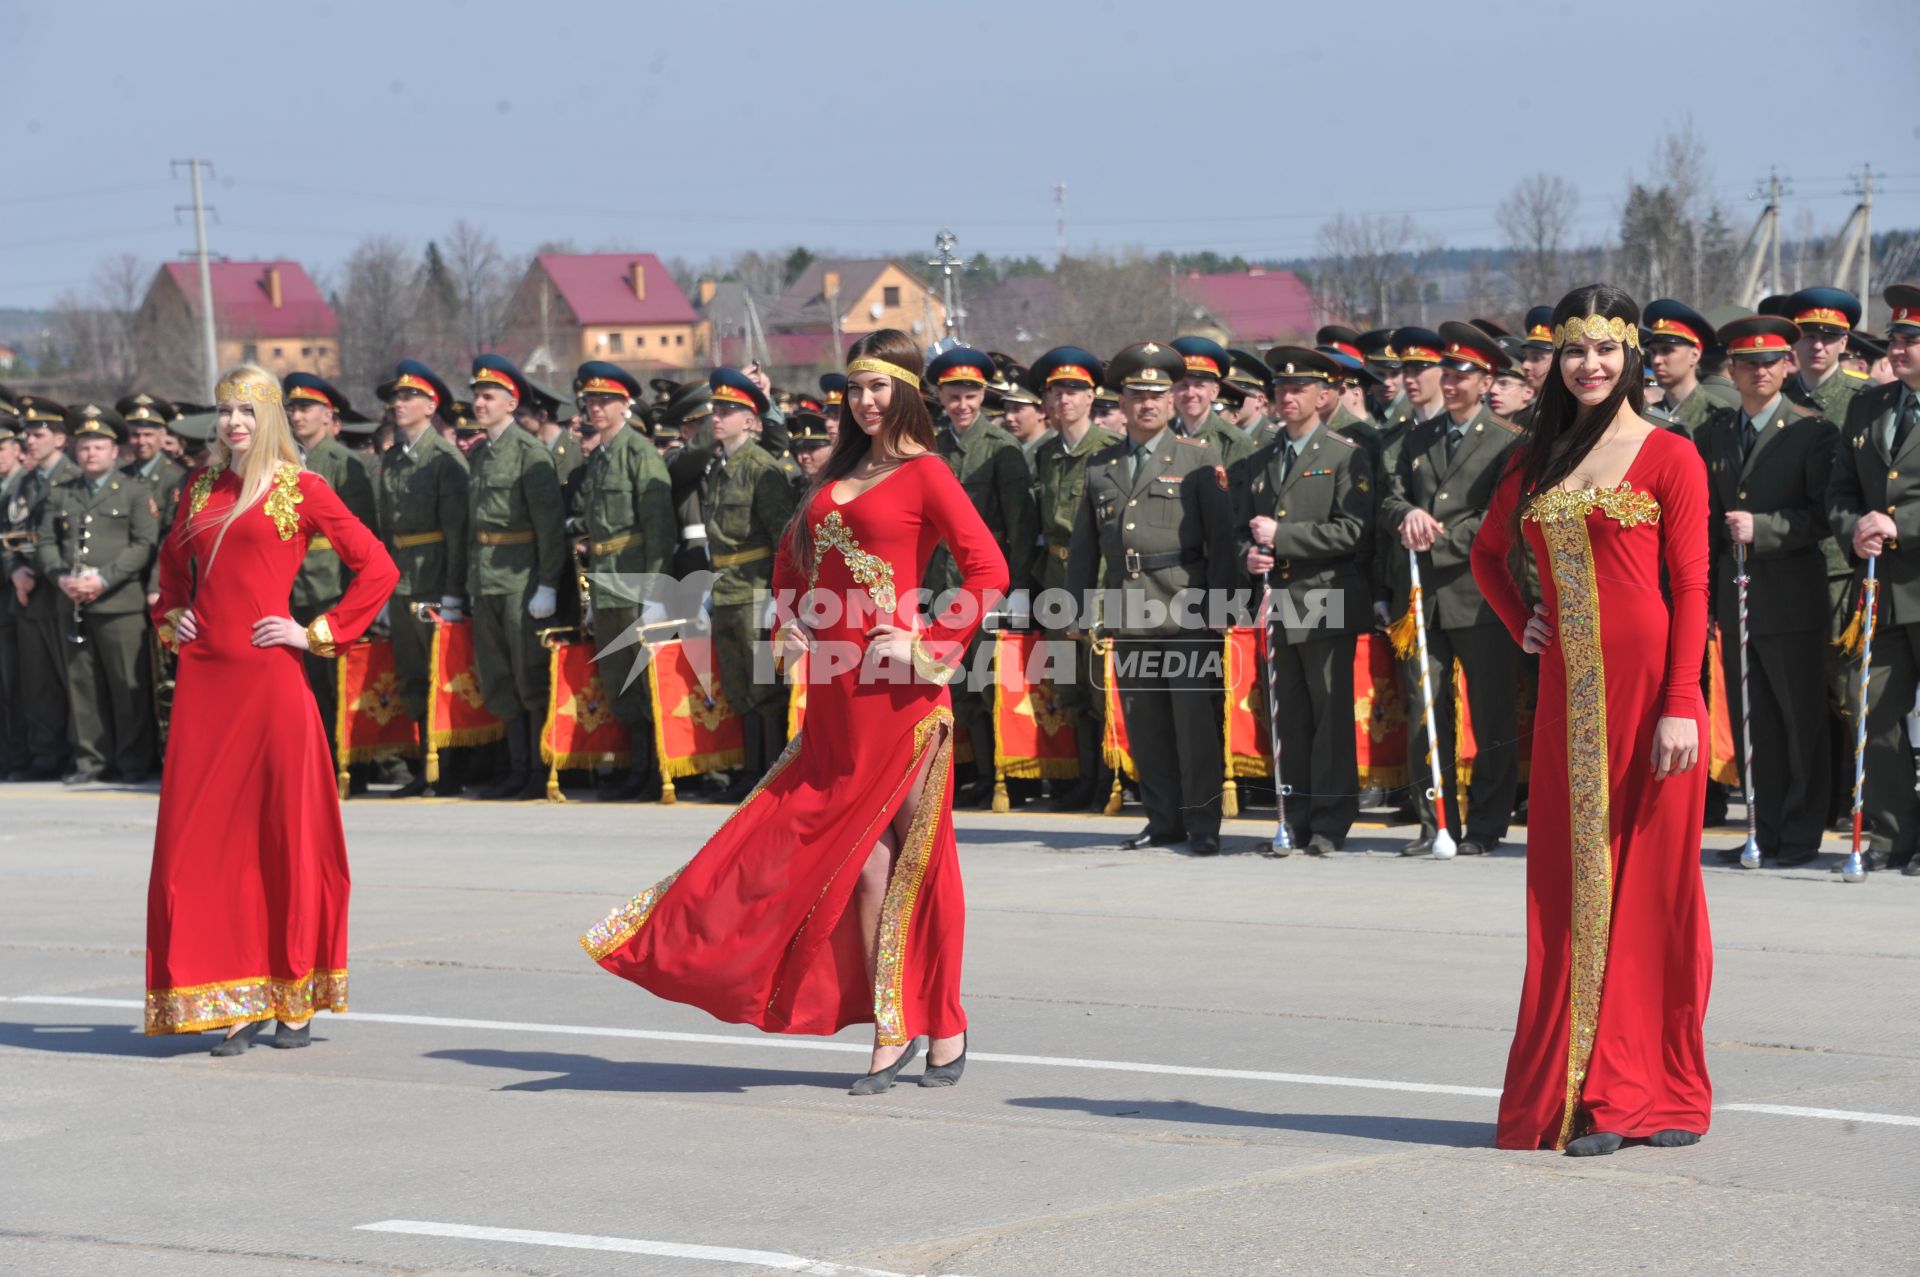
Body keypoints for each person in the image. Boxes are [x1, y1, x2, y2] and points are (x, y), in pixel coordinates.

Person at [582, 330, 1007, 1093]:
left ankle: (936, 1018)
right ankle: (899, 1018)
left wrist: (929, 642)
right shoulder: (836, 474)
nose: (866, 401)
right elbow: (791, 560)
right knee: (858, 860)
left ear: (908, 392)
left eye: (880, 387)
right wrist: (792, 616)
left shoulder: (927, 473)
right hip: (838, 698)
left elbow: (989, 569)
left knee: (921, 862)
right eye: (857, 388)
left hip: (904, 698)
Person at [1470, 284, 1712, 1155]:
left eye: (1606, 349)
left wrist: (1683, 703)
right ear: (1554, 360)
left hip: (1655, 696)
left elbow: (1691, 587)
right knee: (1573, 888)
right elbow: (1486, 553)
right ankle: (1578, 1090)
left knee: (1654, 887)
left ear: (1631, 357)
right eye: (1574, 350)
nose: (1590, 365)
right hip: (1570, 702)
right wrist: (1520, 619)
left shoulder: (1670, 455)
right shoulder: (1528, 464)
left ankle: (1648, 1091)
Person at [146, 364, 398, 1052]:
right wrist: (175, 617)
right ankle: (231, 993)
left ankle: (293, 992)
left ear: (271, 420)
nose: (234, 423)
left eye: (249, 411)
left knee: (285, 839)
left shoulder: (301, 487)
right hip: (205, 687)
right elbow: (171, 571)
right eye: (226, 410)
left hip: (270, 683)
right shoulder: (197, 488)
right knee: (198, 848)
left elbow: (377, 567)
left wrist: (315, 631)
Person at [1066, 341, 1237, 856]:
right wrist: (1076, 608)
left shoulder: (1198, 459)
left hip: (1185, 608)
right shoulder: (1100, 467)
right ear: (1121, 402)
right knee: (1145, 725)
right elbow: (1083, 547)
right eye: (1137, 394)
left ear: (1171, 401)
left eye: (1158, 394)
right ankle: (1163, 820)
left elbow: (1222, 542)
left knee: (1193, 726)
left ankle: (1203, 824)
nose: (1147, 404)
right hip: (1128, 607)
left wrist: (1222, 607)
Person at [1379, 323, 1526, 856]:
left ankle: (1487, 824)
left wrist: (1434, 536)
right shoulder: (1416, 438)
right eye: (1452, 371)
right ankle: (1435, 819)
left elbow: (1503, 517)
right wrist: (1408, 515)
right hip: (1421, 598)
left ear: (1485, 379)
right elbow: (1390, 498)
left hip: (1481, 594)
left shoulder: (1509, 442)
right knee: (1426, 709)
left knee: (1490, 715)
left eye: (1465, 372)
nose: (1456, 381)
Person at [1695, 316, 1836, 868]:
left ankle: (1801, 835)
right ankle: (1764, 828)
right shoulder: (1715, 434)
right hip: (1737, 597)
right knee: (1757, 722)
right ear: (1731, 370)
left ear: (1788, 366)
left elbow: (1824, 515)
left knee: (1801, 722)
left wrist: (1767, 526)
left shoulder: (1810, 431)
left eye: (1771, 362)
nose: (1760, 371)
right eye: (1748, 363)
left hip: (1792, 596)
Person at [1235, 347, 1374, 855]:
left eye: (1299, 390)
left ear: (1323, 396)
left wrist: (1284, 536)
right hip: (1280, 602)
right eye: (1281, 389)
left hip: (1327, 596)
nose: (1288, 397)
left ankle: (1330, 821)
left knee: (1329, 716)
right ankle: (1290, 816)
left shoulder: (1344, 454)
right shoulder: (1261, 458)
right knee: (1287, 717)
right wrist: (1250, 556)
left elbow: (1355, 530)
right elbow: (1241, 530)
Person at [1826, 284, 1920, 875]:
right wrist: (1855, 525)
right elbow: (1840, 489)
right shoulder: (1869, 405)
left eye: (1911, 338)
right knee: (1874, 711)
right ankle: (1893, 835)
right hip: (1880, 590)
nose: (1899, 346)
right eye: (1895, 337)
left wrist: (1902, 522)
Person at [926, 347, 1039, 807]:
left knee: (991, 686)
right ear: (940, 397)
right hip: (940, 583)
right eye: (954, 396)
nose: (963, 405)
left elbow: (1020, 525)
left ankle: (1002, 780)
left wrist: (1016, 589)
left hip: (986, 583)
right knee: (955, 688)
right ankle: (970, 775)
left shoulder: (1001, 448)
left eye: (971, 395)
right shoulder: (930, 448)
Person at [37, 404, 158, 784]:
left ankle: (133, 762)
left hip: (119, 603)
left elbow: (143, 544)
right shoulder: (62, 492)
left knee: (127, 686)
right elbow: (45, 542)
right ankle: (91, 761)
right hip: (71, 601)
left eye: (99, 446)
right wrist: (61, 579)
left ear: (115, 451)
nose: (90, 453)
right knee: (82, 686)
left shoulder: (135, 492)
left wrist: (104, 579)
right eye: (85, 446)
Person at [571, 361, 674, 802]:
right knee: (619, 680)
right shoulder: (599, 459)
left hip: (636, 582)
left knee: (645, 679)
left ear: (625, 405)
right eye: (591, 401)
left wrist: (655, 590)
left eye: (605, 401)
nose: (596, 408)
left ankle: (656, 770)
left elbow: (658, 527)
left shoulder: (639, 453)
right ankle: (636, 766)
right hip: (608, 582)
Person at [465, 355, 567, 800]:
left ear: (511, 403)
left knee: (529, 677)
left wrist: (547, 583)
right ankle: (515, 765)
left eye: (488, 397)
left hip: (521, 578)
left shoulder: (530, 453)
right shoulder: (482, 453)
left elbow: (549, 527)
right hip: (486, 578)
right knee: (498, 675)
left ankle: (537, 769)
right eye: (476, 396)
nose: (479, 403)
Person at [702, 367, 801, 800]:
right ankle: (748, 770)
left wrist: (778, 597)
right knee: (738, 685)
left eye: (729, 410)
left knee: (765, 687)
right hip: (726, 586)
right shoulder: (718, 467)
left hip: (756, 587)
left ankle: (767, 772)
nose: (718, 417)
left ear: (751, 419)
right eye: (716, 409)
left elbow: (784, 537)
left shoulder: (762, 468)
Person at [372, 361, 470, 797]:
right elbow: (385, 527)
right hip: (401, 579)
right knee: (410, 673)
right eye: (396, 398)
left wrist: (451, 591)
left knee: (438, 675)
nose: (398, 404)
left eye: (408, 397)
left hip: (432, 580)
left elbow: (456, 533)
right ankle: (422, 765)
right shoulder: (393, 458)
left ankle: (445, 767)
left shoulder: (444, 459)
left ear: (431, 406)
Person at [1030, 347, 1112, 811]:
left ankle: (1109, 778)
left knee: (1100, 685)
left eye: (1075, 390)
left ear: (1092, 397)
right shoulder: (1045, 455)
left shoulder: (1107, 452)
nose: (1064, 399)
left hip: (1097, 579)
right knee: (1069, 687)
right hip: (1057, 578)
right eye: (1057, 390)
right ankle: (1083, 777)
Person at [283, 374, 379, 768]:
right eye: (293, 409)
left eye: (306, 408)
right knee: (305, 683)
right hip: (294, 584)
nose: (297, 416)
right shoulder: (285, 461)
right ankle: (314, 758)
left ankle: (346, 763)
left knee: (338, 680)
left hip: (331, 582)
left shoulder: (344, 463)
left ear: (329, 415)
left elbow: (361, 533)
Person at [7, 397, 75, 779]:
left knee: (71, 681)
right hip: (28, 594)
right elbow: (10, 535)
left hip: (60, 590)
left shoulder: (72, 476)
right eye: (27, 435)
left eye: (38, 434)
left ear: (60, 439)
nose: (30, 442)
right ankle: (45, 757)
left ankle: (79, 755)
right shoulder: (26, 482)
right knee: (37, 685)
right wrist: (15, 569)